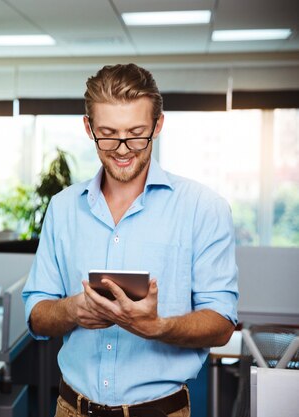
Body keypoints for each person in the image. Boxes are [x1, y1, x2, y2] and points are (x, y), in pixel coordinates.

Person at [22, 63, 238, 417]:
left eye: (137, 133)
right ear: (88, 128)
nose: (123, 149)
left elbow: (222, 323)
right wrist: (72, 310)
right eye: (107, 133)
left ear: (159, 125)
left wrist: (158, 327)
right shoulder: (62, 209)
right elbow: (36, 315)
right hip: (70, 409)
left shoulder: (204, 208)